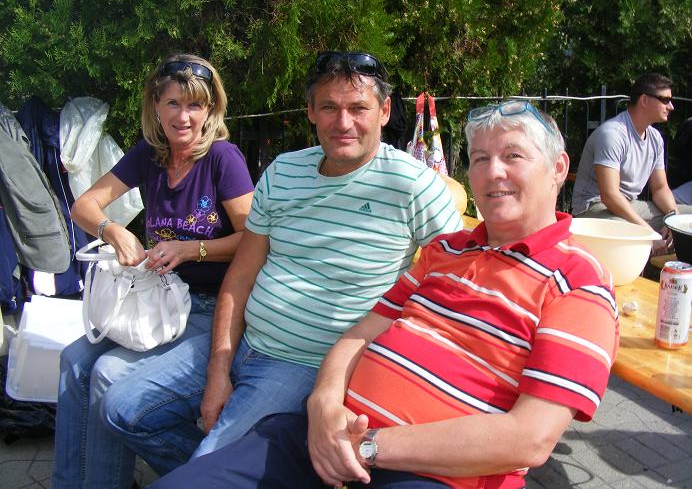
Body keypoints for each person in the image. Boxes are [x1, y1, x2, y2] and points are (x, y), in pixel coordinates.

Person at [151, 100, 619, 489]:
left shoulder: (579, 282)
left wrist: (370, 446)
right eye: (480, 158)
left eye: (513, 156)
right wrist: (322, 405)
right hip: (329, 438)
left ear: (559, 169)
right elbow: (360, 334)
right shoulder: (445, 251)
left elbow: (530, 439)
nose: (493, 172)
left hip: (433, 474)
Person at [101, 51, 463, 474]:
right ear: (310, 111)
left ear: (383, 112)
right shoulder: (284, 172)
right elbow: (240, 277)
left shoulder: (412, 185)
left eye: (358, 108)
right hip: (244, 343)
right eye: (329, 107)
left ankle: (223, 470)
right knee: (122, 408)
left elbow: (457, 286)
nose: (343, 122)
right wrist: (220, 365)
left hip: (306, 365)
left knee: (210, 466)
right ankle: (246, 472)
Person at [52, 54, 255, 489]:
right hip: (157, 300)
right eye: (173, 103)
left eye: (195, 105)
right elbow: (84, 205)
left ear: (210, 109)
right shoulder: (149, 155)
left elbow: (255, 239)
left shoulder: (222, 158)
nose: (184, 117)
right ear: (155, 106)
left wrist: (192, 249)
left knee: (108, 372)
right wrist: (112, 231)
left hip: (211, 308)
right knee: (74, 362)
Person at [571, 72, 692, 255]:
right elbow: (610, 196)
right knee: (631, 235)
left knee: (685, 221)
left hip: (628, 205)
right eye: (665, 100)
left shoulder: (655, 138)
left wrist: (672, 218)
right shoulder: (612, 134)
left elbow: (660, 189)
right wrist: (649, 233)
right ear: (644, 100)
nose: (671, 106)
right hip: (593, 209)